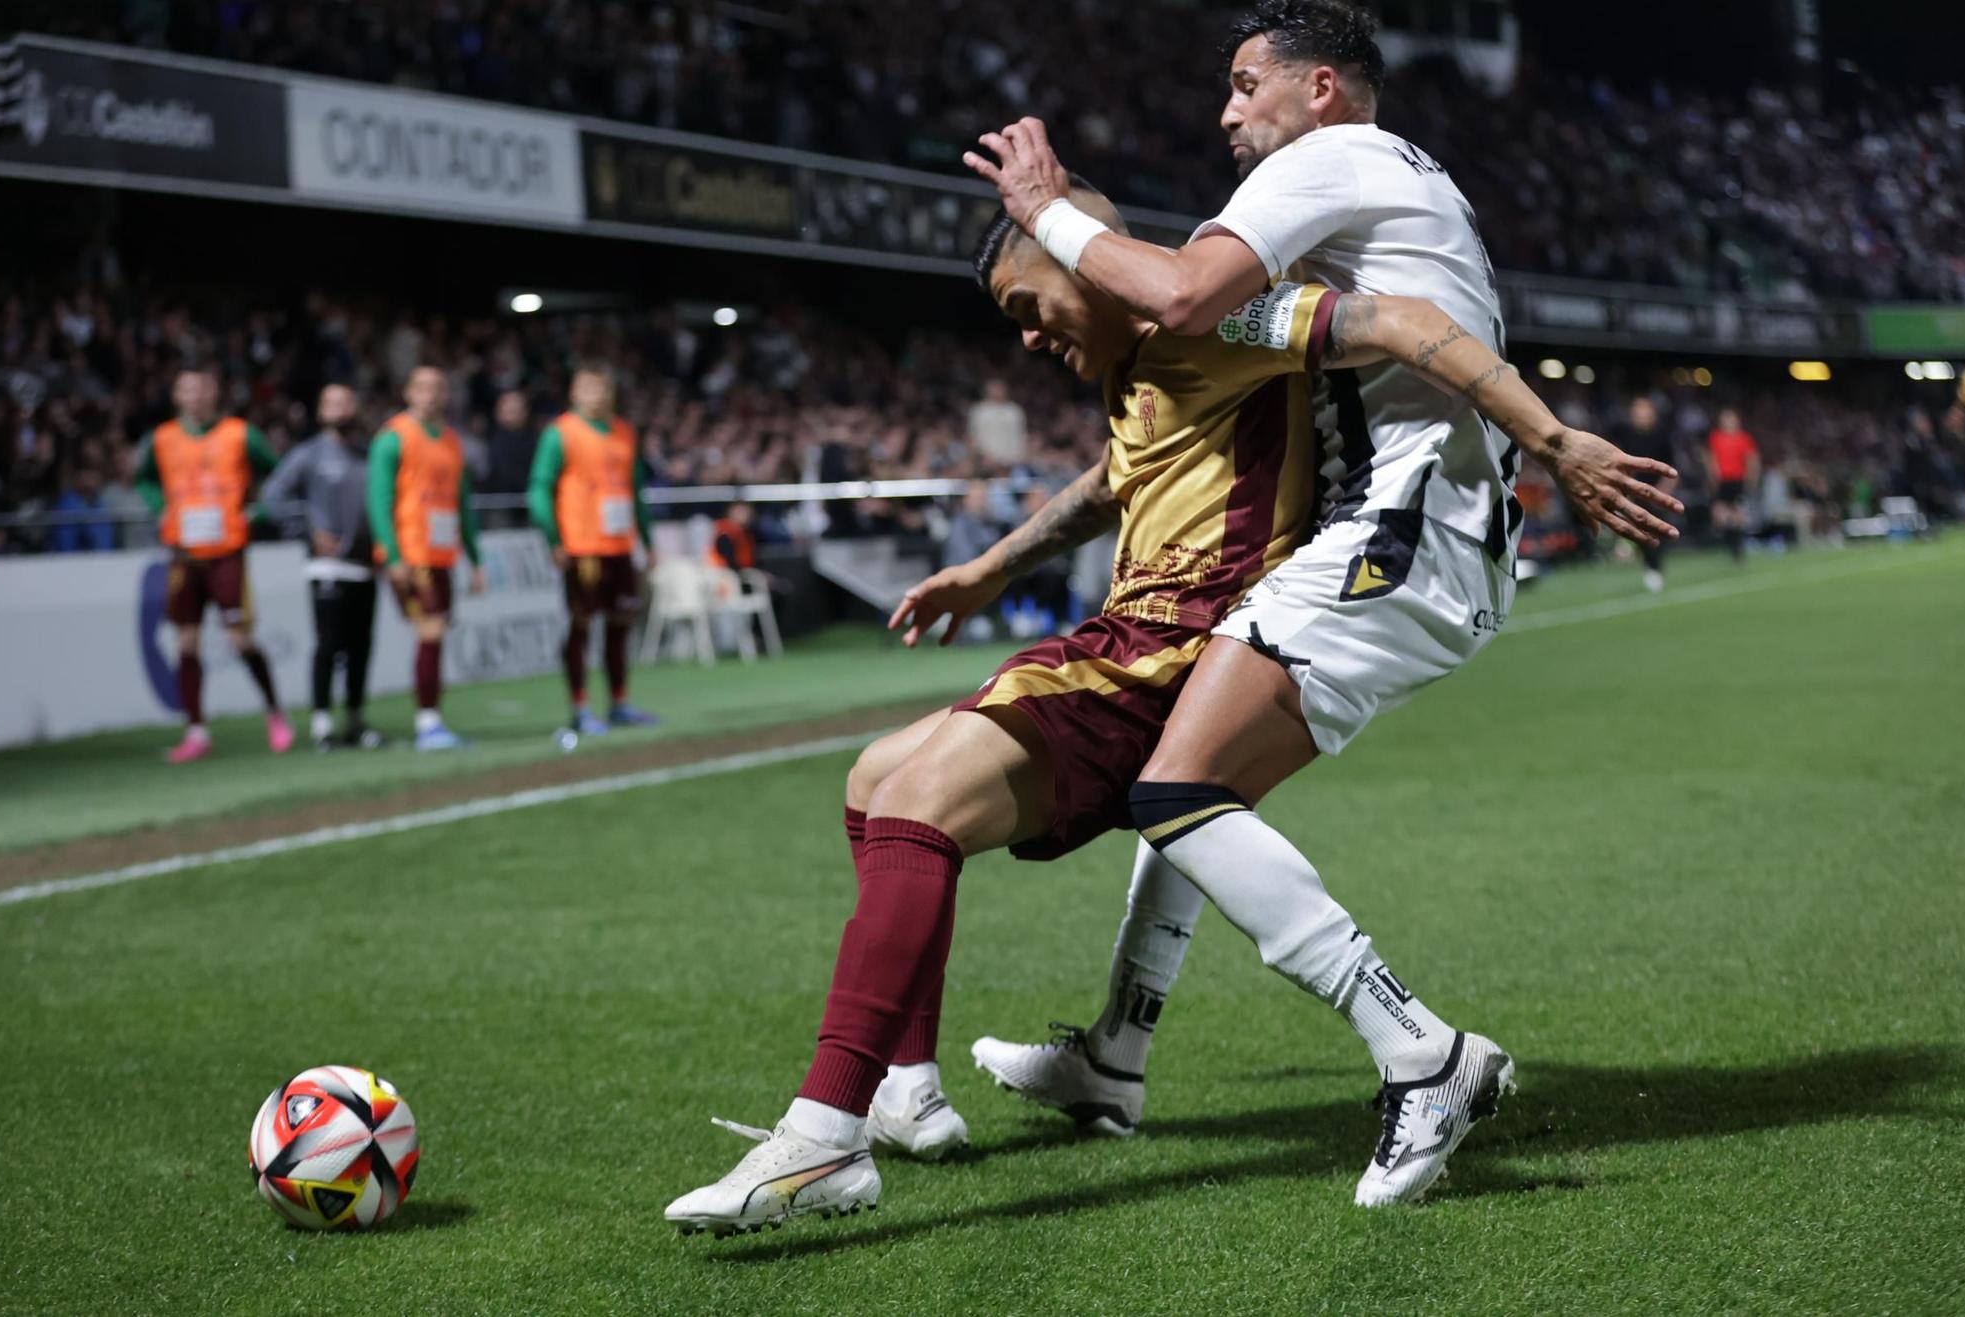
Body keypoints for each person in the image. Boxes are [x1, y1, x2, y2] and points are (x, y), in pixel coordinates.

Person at [663, 184, 1624, 1236]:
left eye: (1028, 304)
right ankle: (906, 1086)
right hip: (1116, 641)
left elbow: (1397, 322)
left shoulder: (1215, 320)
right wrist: (985, 568)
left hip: (1170, 654)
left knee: (921, 804)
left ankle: (821, 1136)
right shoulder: (1138, 372)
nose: (1026, 337)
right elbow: (1108, 485)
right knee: (871, 778)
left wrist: (1553, 438)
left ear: (1087, 260)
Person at [959, 0, 1678, 1206]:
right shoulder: (1368, 187)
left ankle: (1422, 1051)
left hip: (1402, 528)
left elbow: (1184, 296)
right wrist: (992, 566)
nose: (1227, 111)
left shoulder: (1330, 159)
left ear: (1319, 89)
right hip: (1401, 528)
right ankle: (1115, 1058)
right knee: (1200, 784)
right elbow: (1195, 388)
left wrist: (1043, 215)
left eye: (1247, 86)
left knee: (1177, 787)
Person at [134, 367, 294, 763]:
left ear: (215, 393)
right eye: (186, 388)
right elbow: (145, 480)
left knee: (239, 638)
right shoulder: (163, 439)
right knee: (186, 642)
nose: (195, 396)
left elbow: (280, 475)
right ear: (176, 395)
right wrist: (160, 508)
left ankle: (274, 712)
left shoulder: (240, 434)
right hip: (184, 554)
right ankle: (196, 731)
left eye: (202, 388)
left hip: (227, 552)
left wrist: (256, 511)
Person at [526, 362, 658, 735]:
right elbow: (539, 488)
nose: (596, 396)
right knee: (581, 626)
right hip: (582, 547)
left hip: (619, 545)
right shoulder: (560, 434)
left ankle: (619, 702)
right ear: (574, 392)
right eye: (588, 388)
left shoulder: (624, 433)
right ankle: (580, 708)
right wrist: (554, 537)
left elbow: (635, 491)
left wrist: (646, 540)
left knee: (620, 625)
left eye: (602, 388)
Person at [367, 365, 485, 751]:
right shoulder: (392, 439)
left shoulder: (452, 441)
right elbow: (379, 501)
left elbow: (462, 503)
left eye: (438, 388)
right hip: (412, 555)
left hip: (442, 555)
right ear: (407, 393)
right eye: (422, 388)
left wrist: (476, 558)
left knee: (436, 633)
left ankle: (433, 719)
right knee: (430, 631)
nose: (430, 395)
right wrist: (391, 554)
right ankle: (427, 722)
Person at [262, 383, 381, 751]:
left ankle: (356, 719)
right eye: (331, 403)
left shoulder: (368, 453)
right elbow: (272, 496)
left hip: (365, 564)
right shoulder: (310, 454)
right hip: (327, 567)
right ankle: (321, 722)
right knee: (329, 644)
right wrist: (305, 532)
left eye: (346, 402)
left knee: (362, 645)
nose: (340, 409)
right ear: (321, 411)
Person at [1613, 394, 1677, 590]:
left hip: (1657, 494)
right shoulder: (1625, 436)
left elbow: (1672, 470)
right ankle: (1646, 564)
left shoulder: (1662, 437)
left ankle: (1655, 567)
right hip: (1634, 493)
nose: (1641, 414)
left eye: (1645, 409)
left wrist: (1662, 494)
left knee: (1656, 533)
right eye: (1638, 409)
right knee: (1640, 531)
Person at [1706, 408, 1759, 560]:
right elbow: (1712, 459)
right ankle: (1731, 544)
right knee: (1720, 514)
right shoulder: (1716, 437)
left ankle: (1738, 546)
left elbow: (1751, 459)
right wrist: (1713, 477)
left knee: (1737, 515)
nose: (1728, 422)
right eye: (1725, 419)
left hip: (1738, 480)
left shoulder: (1744, 438)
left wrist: (1751, 478)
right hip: (1722, 481)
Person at [966, 377, 1029, 468]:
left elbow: (1022, 436)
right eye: (994, 388)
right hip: (987, 461)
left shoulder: (1014, 411)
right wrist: (982, 457)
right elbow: (972, 437)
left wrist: (1020, 456)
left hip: (1013, 460)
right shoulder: (979, 411)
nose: (997, 391)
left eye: (999, 388)